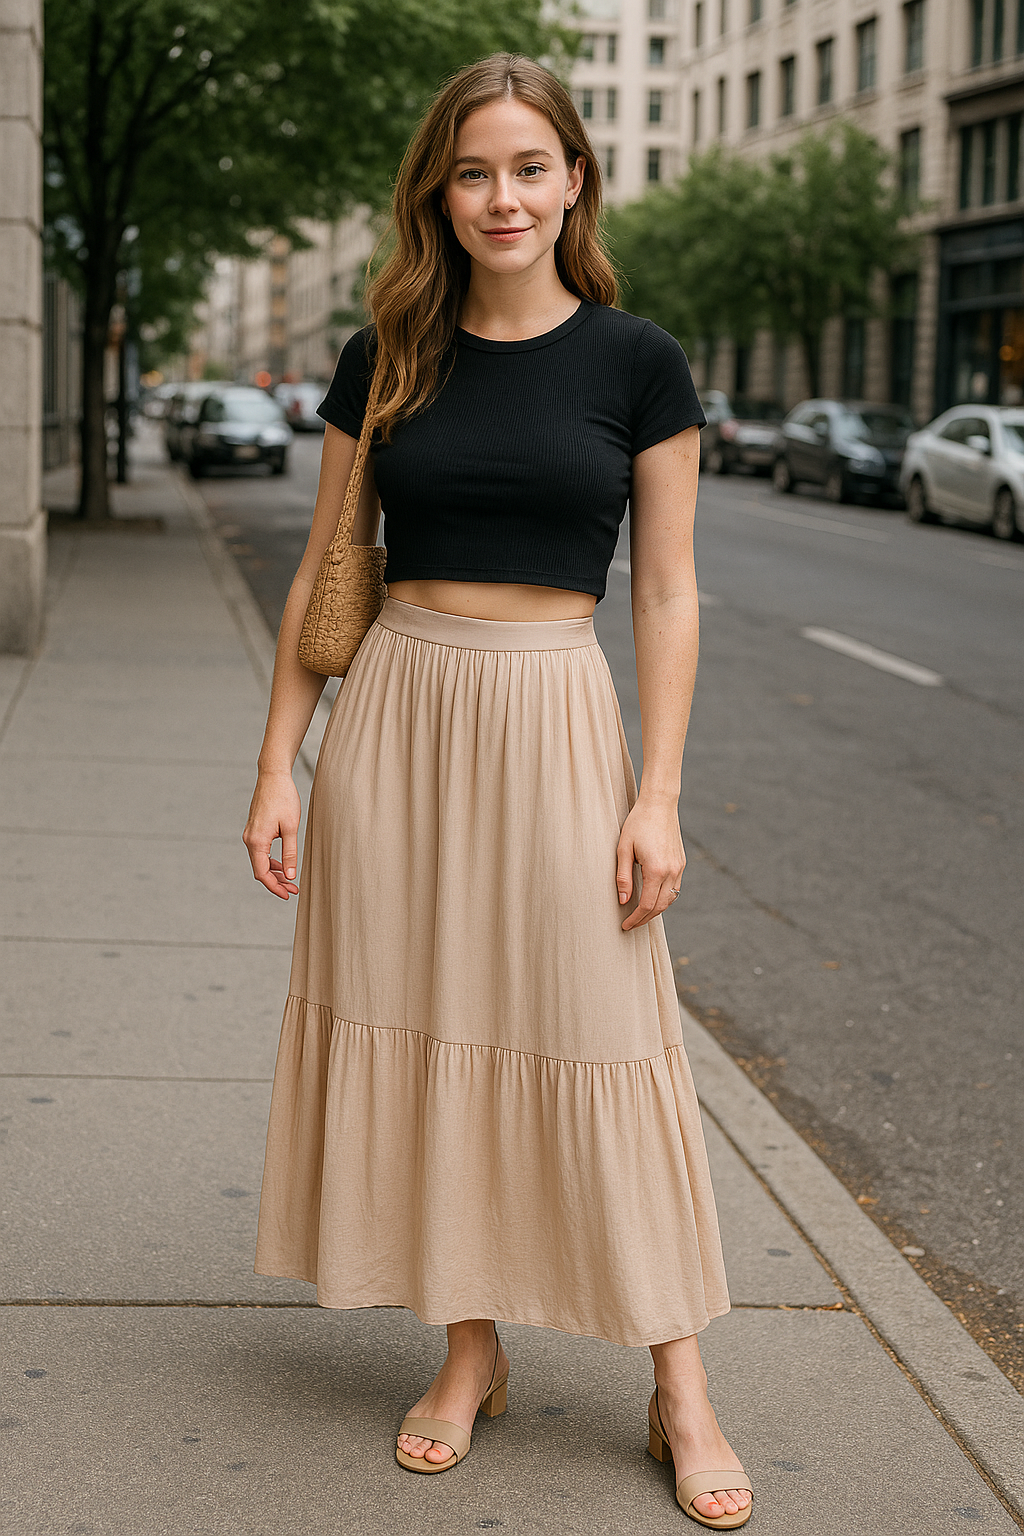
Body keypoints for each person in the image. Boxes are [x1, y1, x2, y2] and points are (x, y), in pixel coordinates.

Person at [243, 52, 753, 1531]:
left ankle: (681, 1384)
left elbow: (666, 594)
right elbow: (329, 569)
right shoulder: (386, 348)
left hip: (551, 718)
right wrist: (279, 762)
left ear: (575, 179)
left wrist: (658, 792)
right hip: (397, 713)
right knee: (428, 1026)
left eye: (530, 166)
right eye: (474, 172)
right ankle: (469, 1354)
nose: (503, 196)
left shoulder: (638, 363)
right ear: (439, 194)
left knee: (602, 1037)